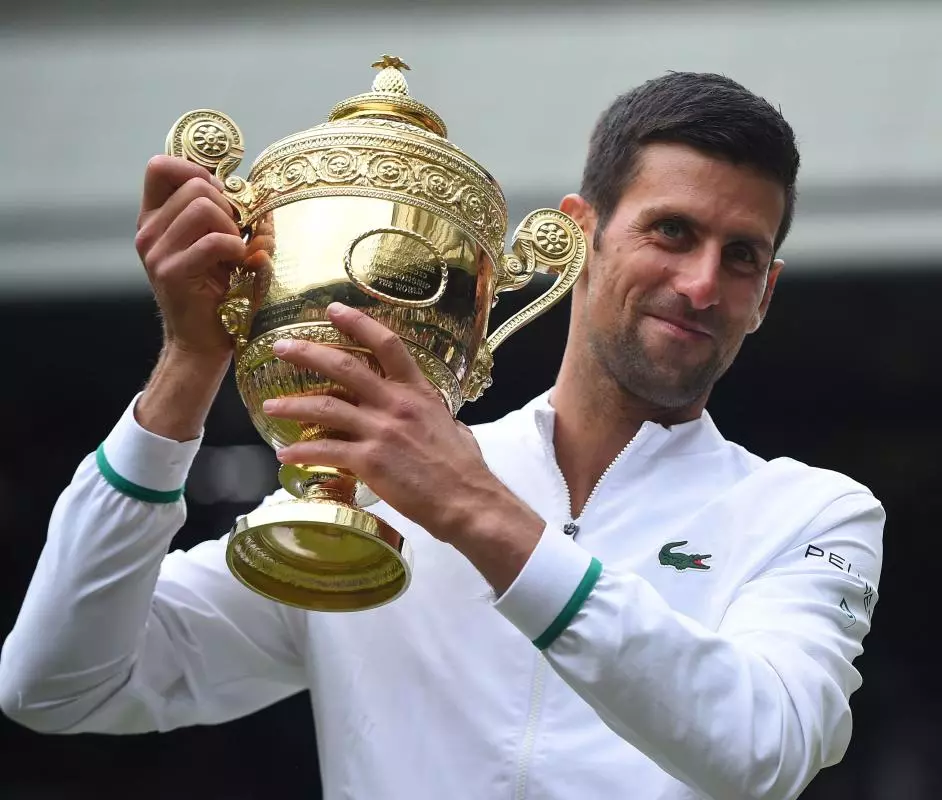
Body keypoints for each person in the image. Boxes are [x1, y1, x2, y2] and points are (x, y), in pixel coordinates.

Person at [0, 71, 884, 799]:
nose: (700, 284)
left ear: (765, 294)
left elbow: (761, 753)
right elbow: (57, 684)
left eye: (741, 258)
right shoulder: (378, 489)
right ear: (580, 238)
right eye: (672, 232)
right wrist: (189, 366)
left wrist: (477, 514)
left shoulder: (809, 512)